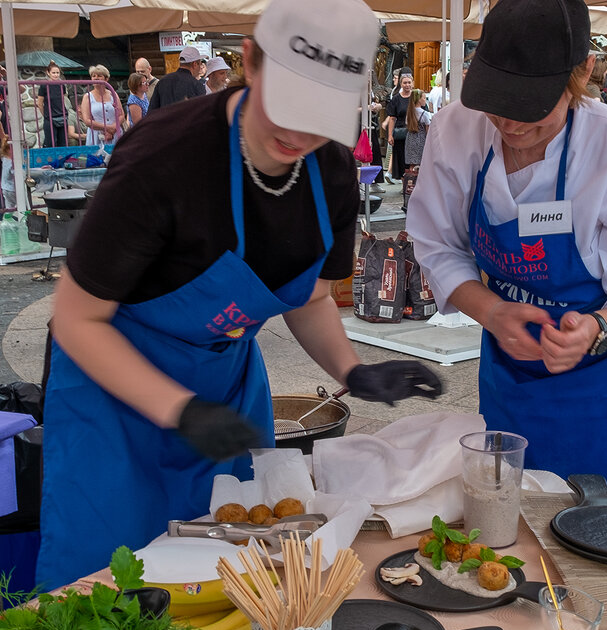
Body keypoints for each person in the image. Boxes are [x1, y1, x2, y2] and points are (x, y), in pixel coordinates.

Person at [37, 0, 442, 591]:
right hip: (112, 403)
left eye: (320, 116)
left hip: (224, 396)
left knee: (238, 582)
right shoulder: (162, 159)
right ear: (249, 62)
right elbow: (76, 319)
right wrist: (178, 408)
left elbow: (308, 298)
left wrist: (353, 370)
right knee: (106, 594)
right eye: (288, 104)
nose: (297, 134)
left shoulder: (328, 172)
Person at [407, 0, 607, 490]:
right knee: (514, 529)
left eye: (533, 111)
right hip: (517, 377)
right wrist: (492, 312)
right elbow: (437, 245)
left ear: (582, 73)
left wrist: (597, 329)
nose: (512, 126)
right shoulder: (457, 129)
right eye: (498, 104)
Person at [149, 46, 206, 110]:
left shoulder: (162, 81)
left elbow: (152, 111)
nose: (200, 68)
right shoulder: (197, 85)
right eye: (200, 64)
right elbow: (202, 113)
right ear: (194, 64)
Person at [81, 64, 125, 146]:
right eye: (93, 76)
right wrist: (107, 128)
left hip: (115, 133)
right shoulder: (87, 97)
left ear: (106, 79)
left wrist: (113, 128)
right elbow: (87, 120)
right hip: (96, 136)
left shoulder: (113, 94)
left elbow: (121, 114)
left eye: (99, 76)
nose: (96, 78)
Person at [386, 72, 413, 181]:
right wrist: (390, 135)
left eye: (409, 83)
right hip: (400, 132)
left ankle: (412, 183)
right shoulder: (396, 99)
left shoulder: (415, 97)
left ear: (412, 83)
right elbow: (392, 118)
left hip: (414, 132)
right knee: (401, 158)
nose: (407, 85)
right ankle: (404, 183)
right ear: (401, 84)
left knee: (412, 159)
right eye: (405, 83)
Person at [36, 61, 69, 148]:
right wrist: (46, 115)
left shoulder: (62, 85)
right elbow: (39, 103)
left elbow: (62, 99)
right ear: (48, 73)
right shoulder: (44, 86)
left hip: (62, 116)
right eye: (53, 73)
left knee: (63, 143)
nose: (56, 75)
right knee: (50, 143)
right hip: (50, 118)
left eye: (57, 73)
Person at [404, 88, 431, 168]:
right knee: (421, 163)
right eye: (424, 98)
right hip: (421, 139)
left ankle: (410, 179)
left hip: (410, 139)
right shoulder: (425, 114)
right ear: (419, 99)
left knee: (411, 164)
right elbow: (428, 130)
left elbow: (406, 124)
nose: (425, 100)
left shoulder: (409, 113)